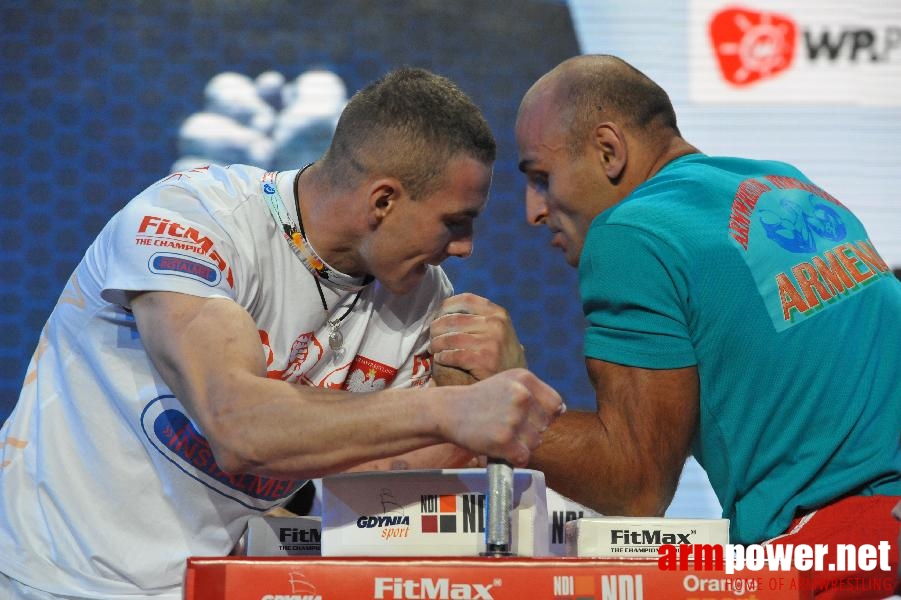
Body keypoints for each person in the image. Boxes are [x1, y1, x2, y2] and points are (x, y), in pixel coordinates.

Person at [0, 67, 564, 599]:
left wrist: (494, 390)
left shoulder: (427, 302)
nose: (466, 247)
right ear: (383, 200)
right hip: (47, 578)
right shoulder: (190, 221)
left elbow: (385, 476)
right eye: (455, 222)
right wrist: (451, 409)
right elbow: (238, 426)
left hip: (212, 587)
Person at [436, 54, 901, 596]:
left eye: (542, 177)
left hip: (843, 545)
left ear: (608, 151)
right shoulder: (781, 181)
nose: (532, 211)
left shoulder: (632, 230)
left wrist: (489, 407)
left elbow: (634, 486)